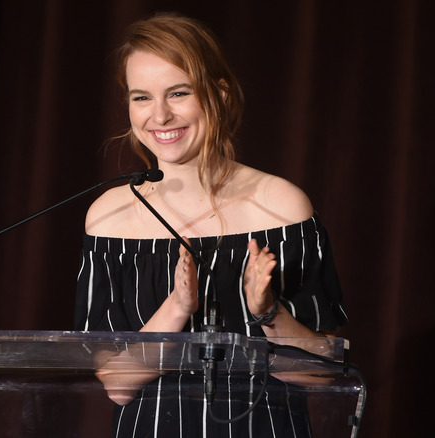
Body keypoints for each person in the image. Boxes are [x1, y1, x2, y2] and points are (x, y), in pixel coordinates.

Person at [75, 12, 348, 438]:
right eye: (141, 97)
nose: (160, 115)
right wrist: (177, 308)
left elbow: (322, 374)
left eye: (178, 93)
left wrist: (267, 313)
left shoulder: (281, 207)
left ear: (219, 95)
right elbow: (117, 384)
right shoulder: (108, 216)